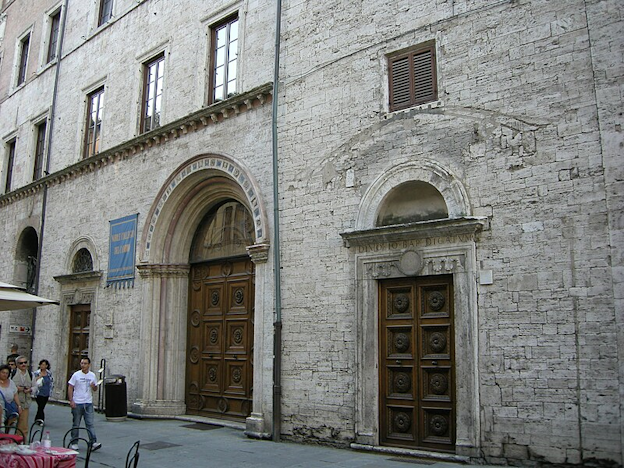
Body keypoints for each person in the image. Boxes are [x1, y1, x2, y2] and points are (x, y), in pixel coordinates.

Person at [67, 357, 101, 451]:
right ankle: (74, 442)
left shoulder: (92, 375)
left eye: (85, 363)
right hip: (77, 402)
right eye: (82, 363)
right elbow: (70, 387)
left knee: (90, 423)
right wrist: (71, 400)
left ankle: (93, 442)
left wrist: (93, 386)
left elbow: (95, 389)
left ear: (89, 365)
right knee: (76, 423)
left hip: (88, 403)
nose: (83, 365)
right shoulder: (76, 375)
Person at [11, 356, 32, 437]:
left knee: (23, 425)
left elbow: (35, 386)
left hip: (25, 402)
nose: (23, 364)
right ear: (17, 364)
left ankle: (21, 440)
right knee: (9, 422)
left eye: (25, 362)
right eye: (21, 363)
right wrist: (16, 388)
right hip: (13, 402)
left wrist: (30, 390)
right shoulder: (12, 373)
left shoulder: (31, 374)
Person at [32, 359, 54, 423]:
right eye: (41, 364)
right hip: (39, 392)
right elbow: (33, 381)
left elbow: (51, 381)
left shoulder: (49, 373)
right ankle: (41, 420)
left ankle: (37, 419)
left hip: (46, 392)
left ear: (47, 366)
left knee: (41, 407)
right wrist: (39, 377)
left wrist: (51, 390)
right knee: (40, 406)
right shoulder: (36, 373)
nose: (42, 366)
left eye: (44, 365)